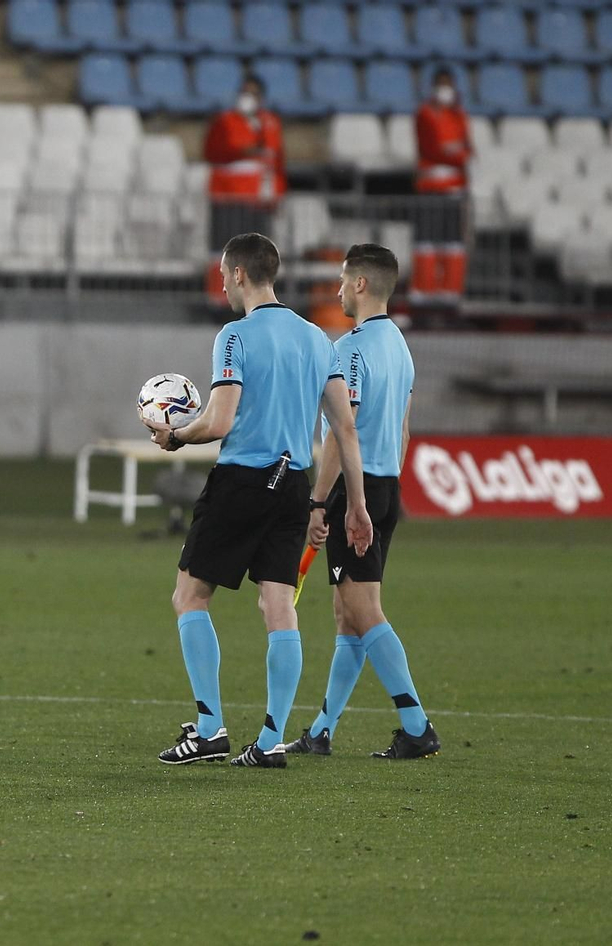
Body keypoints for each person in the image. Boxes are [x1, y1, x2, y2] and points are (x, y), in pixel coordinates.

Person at [148, 232, 372, 769]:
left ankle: (208, 730)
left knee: (189, 596)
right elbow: (345, 427)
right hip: (293, 485)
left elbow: (220, 421)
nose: (223, 284)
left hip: (244, 480)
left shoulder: (235, 336)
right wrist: (352, 505)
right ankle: (270, 740)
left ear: (240, 274)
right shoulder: (319, 338)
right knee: (279, 607)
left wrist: (175, 435)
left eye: (225, 275)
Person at [282, 244, 440, 760]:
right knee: (346, 614)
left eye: (343, 281)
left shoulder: (349, 349)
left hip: (358, 489)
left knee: (362, 609)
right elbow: (403, 428)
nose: (337, 290)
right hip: (386, 484)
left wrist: (320, 501)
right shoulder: (400, 347)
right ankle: (323, 730)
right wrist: (383, 487)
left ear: (362, 286)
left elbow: (340, 431)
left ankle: (416, 725)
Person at [204, 77, 286, 267]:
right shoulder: (224, 122)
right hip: (227, 199)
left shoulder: (271, 124)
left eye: (252, 93)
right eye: (244, 92)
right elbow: (212, 153)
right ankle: (219, 296)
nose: (247, 97)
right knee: (224, 252)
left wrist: (278, 195)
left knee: (256, 253)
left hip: (259, 201)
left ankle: (255, 296)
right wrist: (242, 152)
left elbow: (277, 162)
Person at [413, 67, 472, 305]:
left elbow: (467, 149)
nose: (445, 90)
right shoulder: (425, 114)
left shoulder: (459, 115)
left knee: (453, 243)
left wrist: (454, 151)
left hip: (455, 190)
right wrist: (454, 152)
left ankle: (450, 293)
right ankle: (424, 293)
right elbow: (432, 148)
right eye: (441, 84)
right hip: (430, 189)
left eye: (449, 84)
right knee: (427, 241)